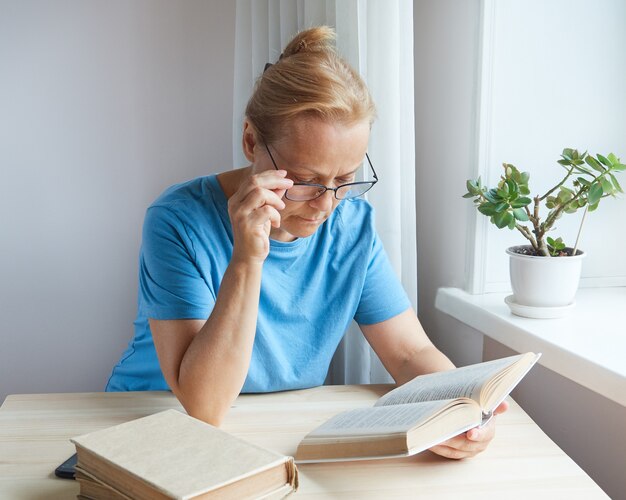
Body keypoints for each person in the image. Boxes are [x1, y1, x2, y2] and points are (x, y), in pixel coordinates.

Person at [106, 26, 506, 459]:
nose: (326, 204)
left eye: (345, 179)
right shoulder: (178, 220)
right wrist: (247, 258)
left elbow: (410, 352)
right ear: (250, 141)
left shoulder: (352, 225)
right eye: (306, 180)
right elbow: (204, 406)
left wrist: (458, 410)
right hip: (148, 421)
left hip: (274, 429)